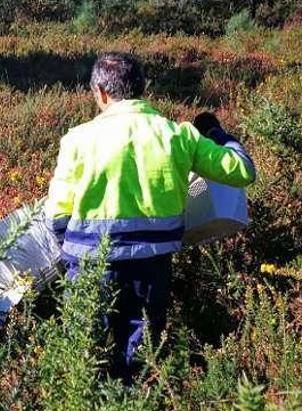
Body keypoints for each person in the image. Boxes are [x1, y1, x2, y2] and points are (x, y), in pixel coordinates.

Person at [44, 52, 256, 382]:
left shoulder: (77, 139)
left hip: (89, 266)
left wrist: (74, 253)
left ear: (100, 92)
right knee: (138, 355)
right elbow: (243, 171)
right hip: (151, 268)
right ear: (144, 88)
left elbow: (57, 215)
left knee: (84, 354)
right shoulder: (179, 136)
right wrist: (215, 132)